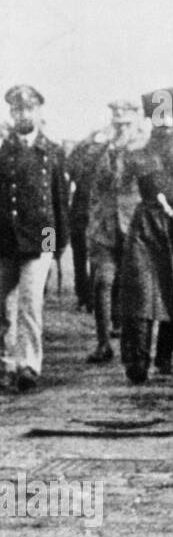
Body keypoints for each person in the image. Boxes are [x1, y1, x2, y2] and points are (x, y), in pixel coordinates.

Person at [118, 88, 173, 382]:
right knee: (141, 294)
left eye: (169, 112)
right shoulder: (135, 151)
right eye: (158, 114)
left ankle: (164, 358)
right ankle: (137, 361)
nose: (164, 120)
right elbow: (121, 190)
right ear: (149, 117)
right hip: (144, 229)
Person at [0, 85, 68, 394]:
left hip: (40, 238)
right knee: (3, 305)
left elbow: (57, 205)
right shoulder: (3, 151)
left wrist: (54, 250)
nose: (22, 115)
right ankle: (6, 363)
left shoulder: (51, 151)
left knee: (30, 302)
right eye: (16, 110)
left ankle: (29, 365)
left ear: (38, 111)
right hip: (5, 239)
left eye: (28, 109)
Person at [84, 99, 143, 363]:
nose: (122, 129)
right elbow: (77, 169)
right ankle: (103, 344)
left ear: (136, 121)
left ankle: (133, 346)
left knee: (134, 287)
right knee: (103, 283)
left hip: (134, 225)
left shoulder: (144, 147)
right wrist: (100, 143)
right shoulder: (100, 146)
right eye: (117, 123)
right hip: (104, 226)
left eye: (126, 124)